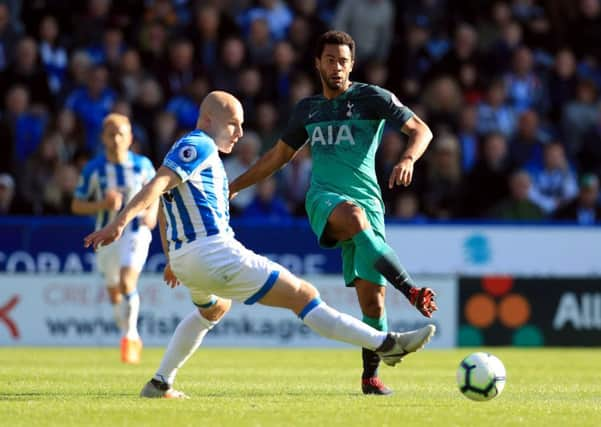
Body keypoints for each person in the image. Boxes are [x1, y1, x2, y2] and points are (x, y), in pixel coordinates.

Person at [83, 91, 436, 399]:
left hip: (188, 258)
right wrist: (119, 223)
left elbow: (165, 203)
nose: (239, 133)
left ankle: (160, 383)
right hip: (212, 251)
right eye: (233, 123)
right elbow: (158, 184)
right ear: (209, 119)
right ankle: (387, 344)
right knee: (303, 295)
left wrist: (172, 255)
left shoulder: (206, 157)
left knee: (213, 310)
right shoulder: (199, 144)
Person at [228, 31, 437, 396]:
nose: (336, 67)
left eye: (343, 61)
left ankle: (370, 378)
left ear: (351, 65)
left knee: (372, 301)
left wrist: (407, 158)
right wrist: (234, 186)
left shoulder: (372, 98)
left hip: (370, 203)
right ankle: (412, 290)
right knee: (354, 219)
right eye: (330, 60)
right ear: (318, 63)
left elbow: (421, 130)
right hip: (324, 198)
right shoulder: (307, 110)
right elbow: (277, 157)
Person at [72, 113, 158, 364]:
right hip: (105, 236)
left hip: (136, 231)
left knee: (126, 280)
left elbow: (158, 192)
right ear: (103, 138)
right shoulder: (93, 169)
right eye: (111, 134)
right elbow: (76, 204)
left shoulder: (143, 165)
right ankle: (127, 332)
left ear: (130, 137)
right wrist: (102, 204)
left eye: (121, 133)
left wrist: (151, 213)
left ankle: (130, 337)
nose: (116, 138)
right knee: (114, 293)